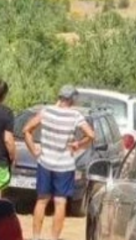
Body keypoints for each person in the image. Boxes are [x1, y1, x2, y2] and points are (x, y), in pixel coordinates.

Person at [23, 85, 96, 240]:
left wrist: (33, 150)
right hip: (64, 165)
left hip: (45, 162)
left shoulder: (47, 111)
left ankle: (36, 237)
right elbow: (91, 135)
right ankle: (54, 238)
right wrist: (78, 145)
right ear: (72, 99)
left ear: (60, 97)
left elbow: (27, 129)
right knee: (60, 202)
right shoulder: (75, 116)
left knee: (42, 201)